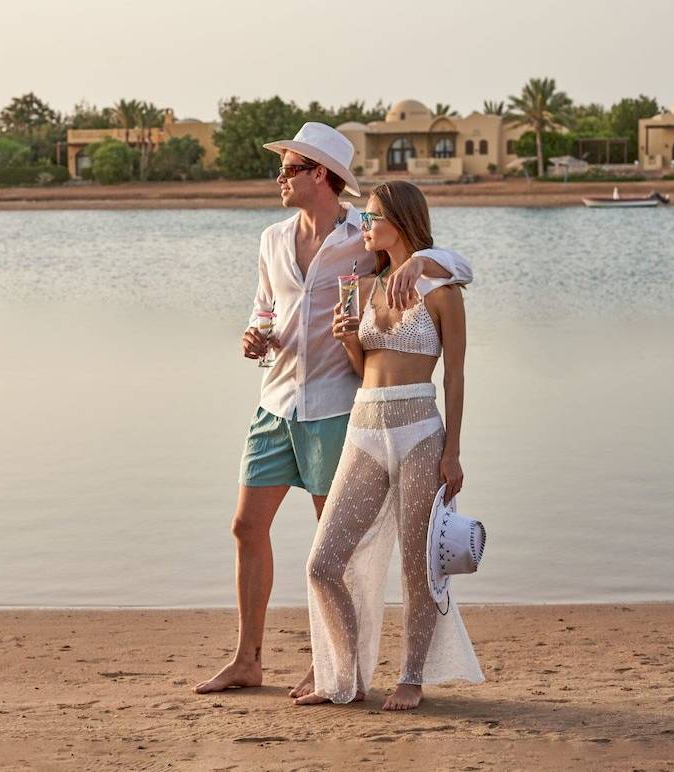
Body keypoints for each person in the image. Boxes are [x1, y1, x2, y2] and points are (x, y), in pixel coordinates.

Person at [194, 123, 471, 695]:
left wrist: (423, 262)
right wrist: (255, 333)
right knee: (247, 526)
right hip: (276, 401)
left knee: (342, 544)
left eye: (290, 167)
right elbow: (265, 308)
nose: (280, 177)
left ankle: (336, 663)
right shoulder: (272, 238)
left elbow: (451, 263)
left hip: (338, 408)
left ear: (320, 174)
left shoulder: (358, 239)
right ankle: (250, 658)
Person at [295, 179, 483, 710]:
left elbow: (456, 377)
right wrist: (350, 341)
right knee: (323, 561)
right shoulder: (364, 288)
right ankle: (345, 676)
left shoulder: (441, 292)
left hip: (421, 432)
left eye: (373, 217)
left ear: (399, 221)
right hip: (364, 430)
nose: (365, 226)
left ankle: (412, 676)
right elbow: (362, 371)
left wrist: (454, 450)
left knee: (417, 565)